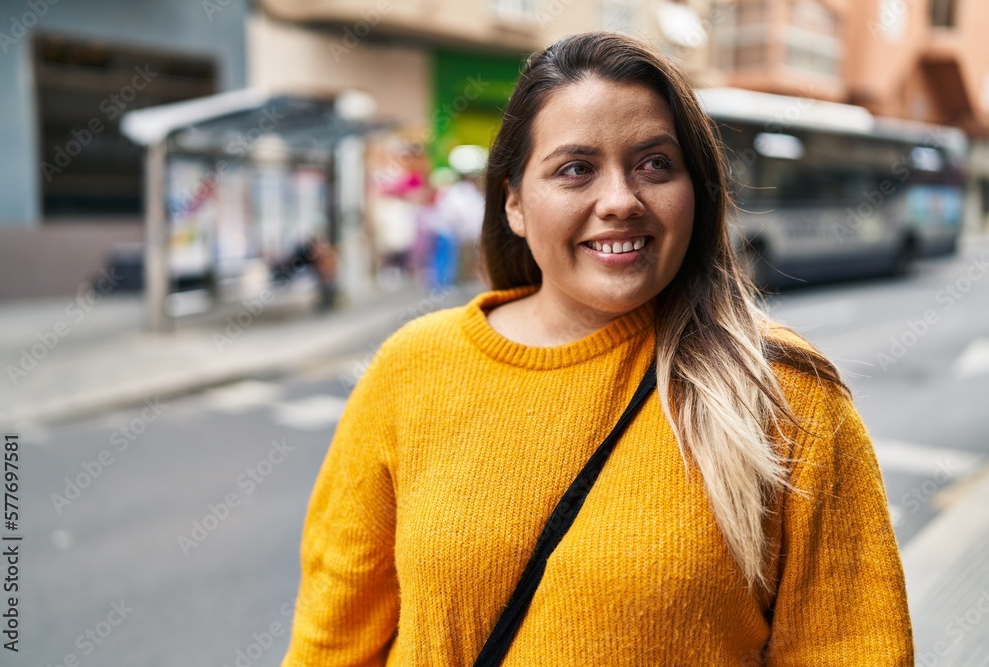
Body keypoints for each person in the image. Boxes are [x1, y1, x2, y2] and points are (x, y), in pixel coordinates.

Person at [281, 31, 913, 666]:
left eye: (655, 164)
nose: (620, 201)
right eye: (575, 169)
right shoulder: (412, 367)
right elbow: (331, 644)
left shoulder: (787, 394)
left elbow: (854, 649)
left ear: (699, 189)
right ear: (514, 202)